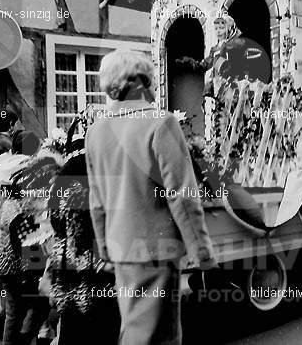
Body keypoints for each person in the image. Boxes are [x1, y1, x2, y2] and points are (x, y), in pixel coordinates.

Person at [85, 50, 217, 345]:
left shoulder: (96, 132)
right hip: (156, 250)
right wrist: (202, 252)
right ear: (143, 81)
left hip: (122, 249)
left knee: (134, 327)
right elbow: (182, 194)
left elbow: (97, 199)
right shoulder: (160, 123)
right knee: (157, 336)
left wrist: (105, 248)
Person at [46, 114, 120, 345]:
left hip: (67, 268)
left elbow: (57, 227)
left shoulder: (60, 186)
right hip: (96, 268)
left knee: (73, 327)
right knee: (103, 326)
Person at [0, 131, 52, 345]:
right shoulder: (13, 206)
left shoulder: (16, 198)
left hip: (20, 262)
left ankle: (27, 337)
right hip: (15, 265)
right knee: (16, 311)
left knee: (31, 307)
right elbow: (21, 237)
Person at [206, 15, 272, 83]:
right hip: (224, 84)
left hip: (242, 83)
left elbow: (250, 63)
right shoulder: (218, 48)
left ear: (229, 29)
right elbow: (208, 65)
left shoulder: (241, 43)